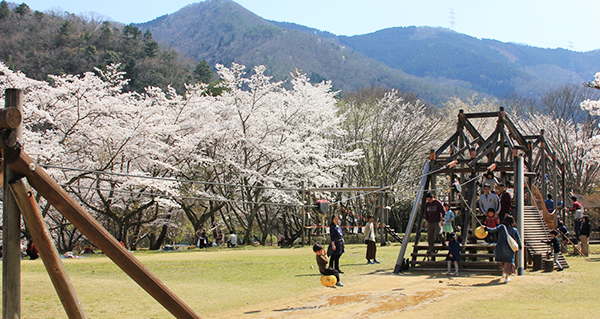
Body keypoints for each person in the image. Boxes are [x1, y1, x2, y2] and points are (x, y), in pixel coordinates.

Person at [485, 215, 522, 283]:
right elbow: (518, 239)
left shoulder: (502, 227)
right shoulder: (514, 230)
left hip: (500, 247)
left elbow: (493, 230)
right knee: (508, 262)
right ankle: (506, 277)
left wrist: (485, 228)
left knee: (502, 260)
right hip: (509, 248)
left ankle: (503, 272)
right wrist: (520, 246)